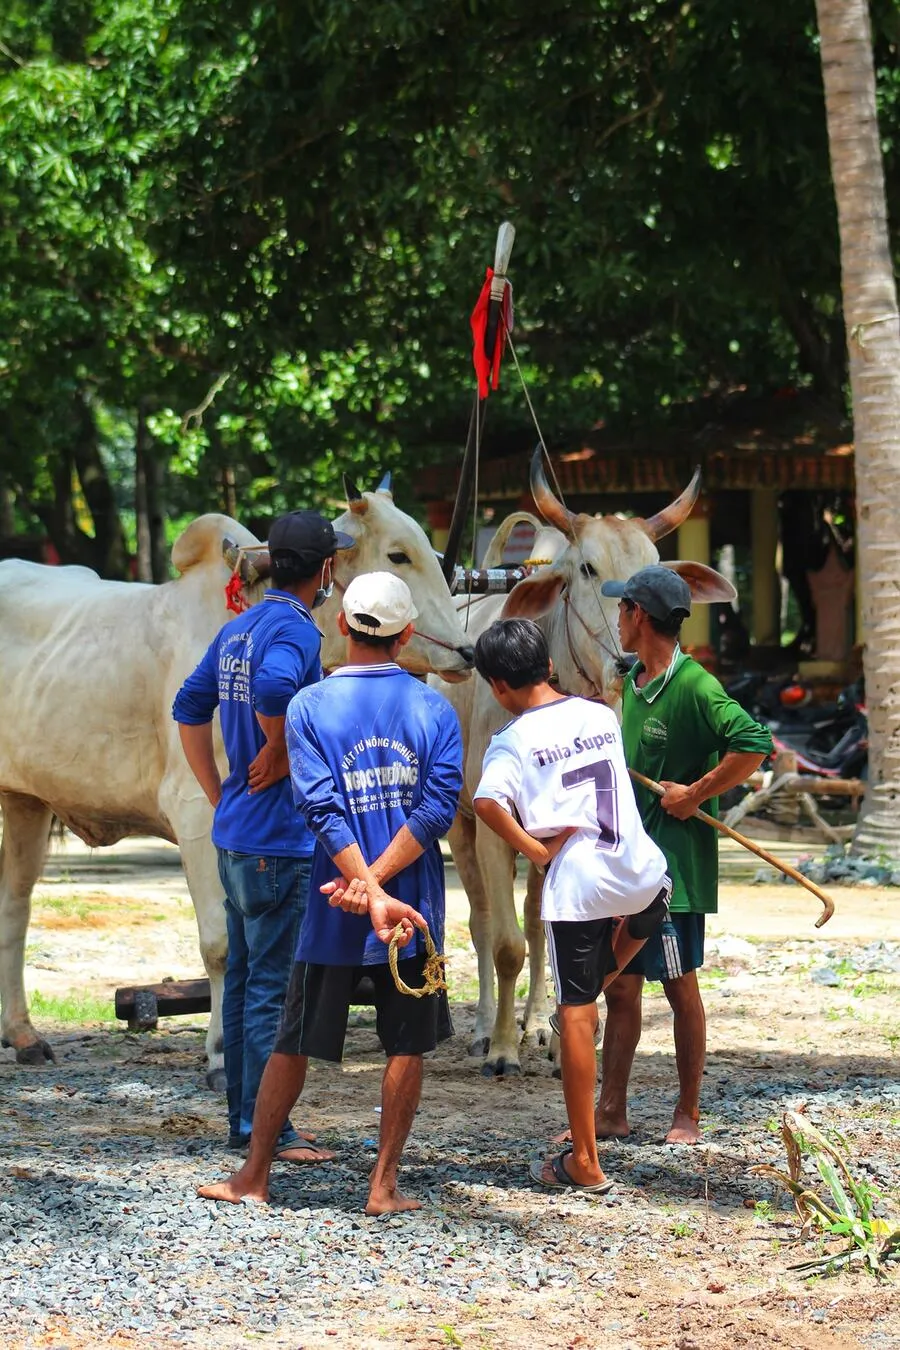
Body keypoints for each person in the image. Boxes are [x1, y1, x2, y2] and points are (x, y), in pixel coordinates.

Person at [196, 571, 463, 1215]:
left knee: (291, 1038)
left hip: (332, 902)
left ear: (341, 626)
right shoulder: (434, 709)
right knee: (406, 1042)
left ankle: (254, 1176)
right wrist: (384, 890)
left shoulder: (309, 706)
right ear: (405, 636)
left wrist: (363, 887)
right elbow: (436, 808)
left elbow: (319, 806)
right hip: (411, 911)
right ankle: (383, 1186)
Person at [172, 509, 353, 1164]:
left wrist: (218, 793)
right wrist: (277, 748)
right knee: (274, 991)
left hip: (237, 836)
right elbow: (278, 686)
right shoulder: (295, 633)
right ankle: (263, 1130)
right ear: (326, 570)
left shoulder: (239, 627)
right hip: (280, 841)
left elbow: (189, 706)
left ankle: (243, 1121)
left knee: (247, 981)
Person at [471, 618, 671, 1194]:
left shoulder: (509, 740)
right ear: (550, 667)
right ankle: (597, 982)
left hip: (579, 885)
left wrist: (537, 850)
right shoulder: (599, 714)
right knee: (656, 898)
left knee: (578, 1015)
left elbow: (486, 802)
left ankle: (585, 1158)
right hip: (639, 869)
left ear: (496, 686)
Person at [593, 564, 772, 1145]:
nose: (617, 618)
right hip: (627, 863)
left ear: (639, 615)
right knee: (620, 985)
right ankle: (611, 1110)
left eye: (622, 610)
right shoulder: (634, 680)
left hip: (674, 873)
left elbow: (753, 744)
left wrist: (696, 794)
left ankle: (687, 1114)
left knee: (678, 986)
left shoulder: (695, 685)